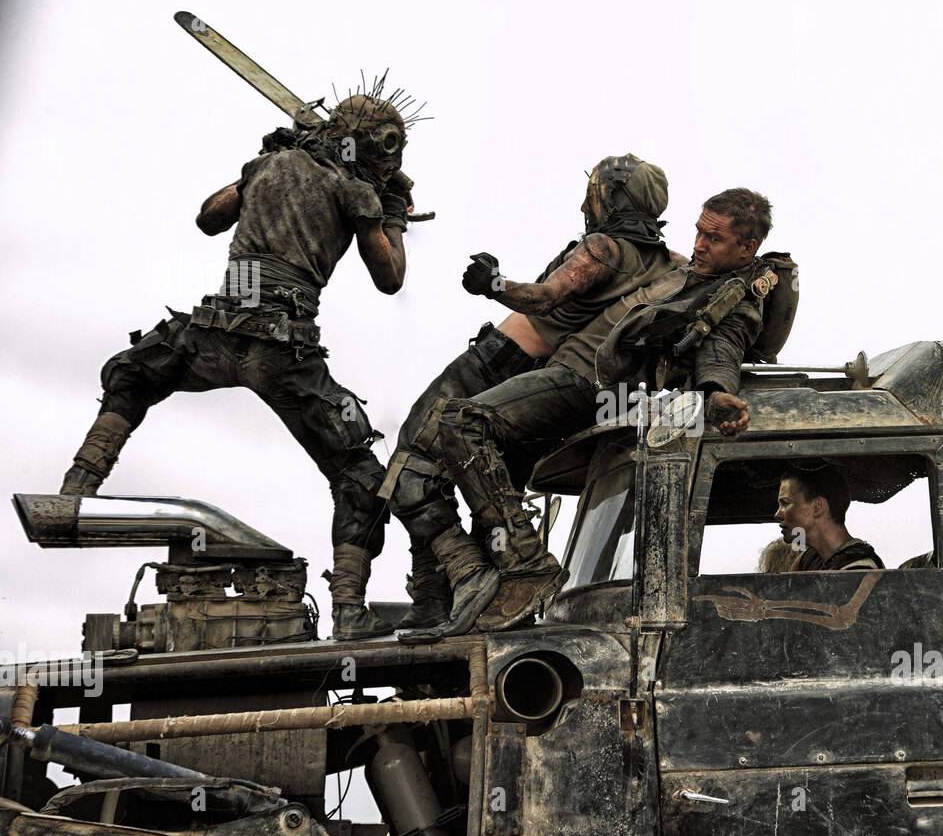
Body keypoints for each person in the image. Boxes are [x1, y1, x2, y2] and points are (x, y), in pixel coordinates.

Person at [57, 87, 420, 641]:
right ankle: (348, 610)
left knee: (133, 371)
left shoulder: (271, 163)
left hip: (214, 334)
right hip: (283, 349)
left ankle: (78, 486)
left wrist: (257, 170)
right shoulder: (355, 191)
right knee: (358, 473)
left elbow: (208, 218)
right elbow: (390, 277)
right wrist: (391, 216)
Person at [403, 189, 780, 641]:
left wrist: (717, 394)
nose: (699, 243)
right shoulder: (682, 267)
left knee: (461, 422)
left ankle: (524, 565)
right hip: (566, 372)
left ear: (746, 247)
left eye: (714, 238)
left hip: (588, 386)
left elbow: (724, 348)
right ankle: (478, 581)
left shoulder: (734, 298)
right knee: (461, 446)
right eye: (699, 230)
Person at [365, 154, 677, 640]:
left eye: (594, 189)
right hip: (544, 376)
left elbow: (545, 297)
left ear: (612, 196)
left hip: (498, 362)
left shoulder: (603, 246)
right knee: (468, 468)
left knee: (412, 463)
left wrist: (494, 285)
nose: (586, 199)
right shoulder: (666, 264)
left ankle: (456, 579)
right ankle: (445, 590)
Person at [774, 467, 883, 571]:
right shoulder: (810, 558)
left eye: (785, 503)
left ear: (818, 507)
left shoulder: (860, 568)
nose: (777, 514)